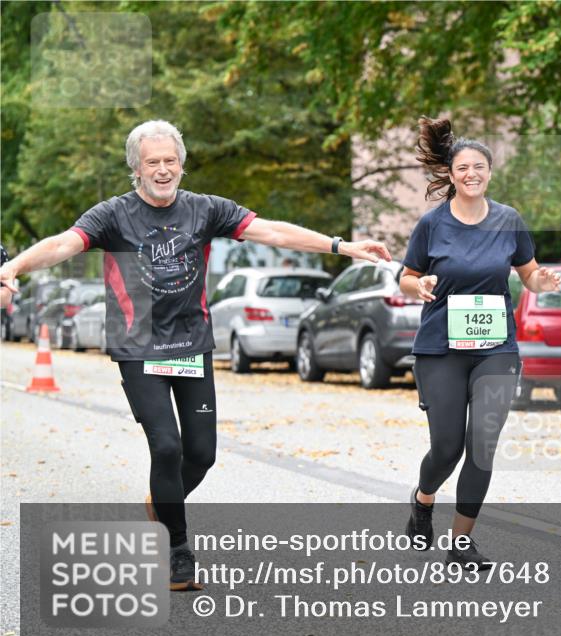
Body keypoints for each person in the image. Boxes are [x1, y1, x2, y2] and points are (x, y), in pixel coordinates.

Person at [0, 120, 391, 590]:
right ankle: (177, 551)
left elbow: (271, 232)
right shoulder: (113, 216)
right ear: (136, 169)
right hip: (139, 344)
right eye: (152, 163)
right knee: (166, 445)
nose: (162, 170)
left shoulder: (204, 211)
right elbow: (64, 243)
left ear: (181, 165)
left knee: (201, 454)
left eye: (170, 161)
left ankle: (162, 504)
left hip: (190, 344)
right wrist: (13, 265)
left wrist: (340, 246)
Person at [399, 117, 561, 569]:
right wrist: (421, 284)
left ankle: (461, 543)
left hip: (495, 349)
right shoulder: (432, 225)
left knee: (483, 443)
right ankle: (423, 499)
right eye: (463, 167)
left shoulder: (509, 220)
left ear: (490, 172)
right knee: (447, 447)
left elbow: (529, 274)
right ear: (451, 175)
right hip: (441, 350)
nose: (472, 174)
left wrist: (541, 282)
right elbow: (406, 277)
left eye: (480, 167)